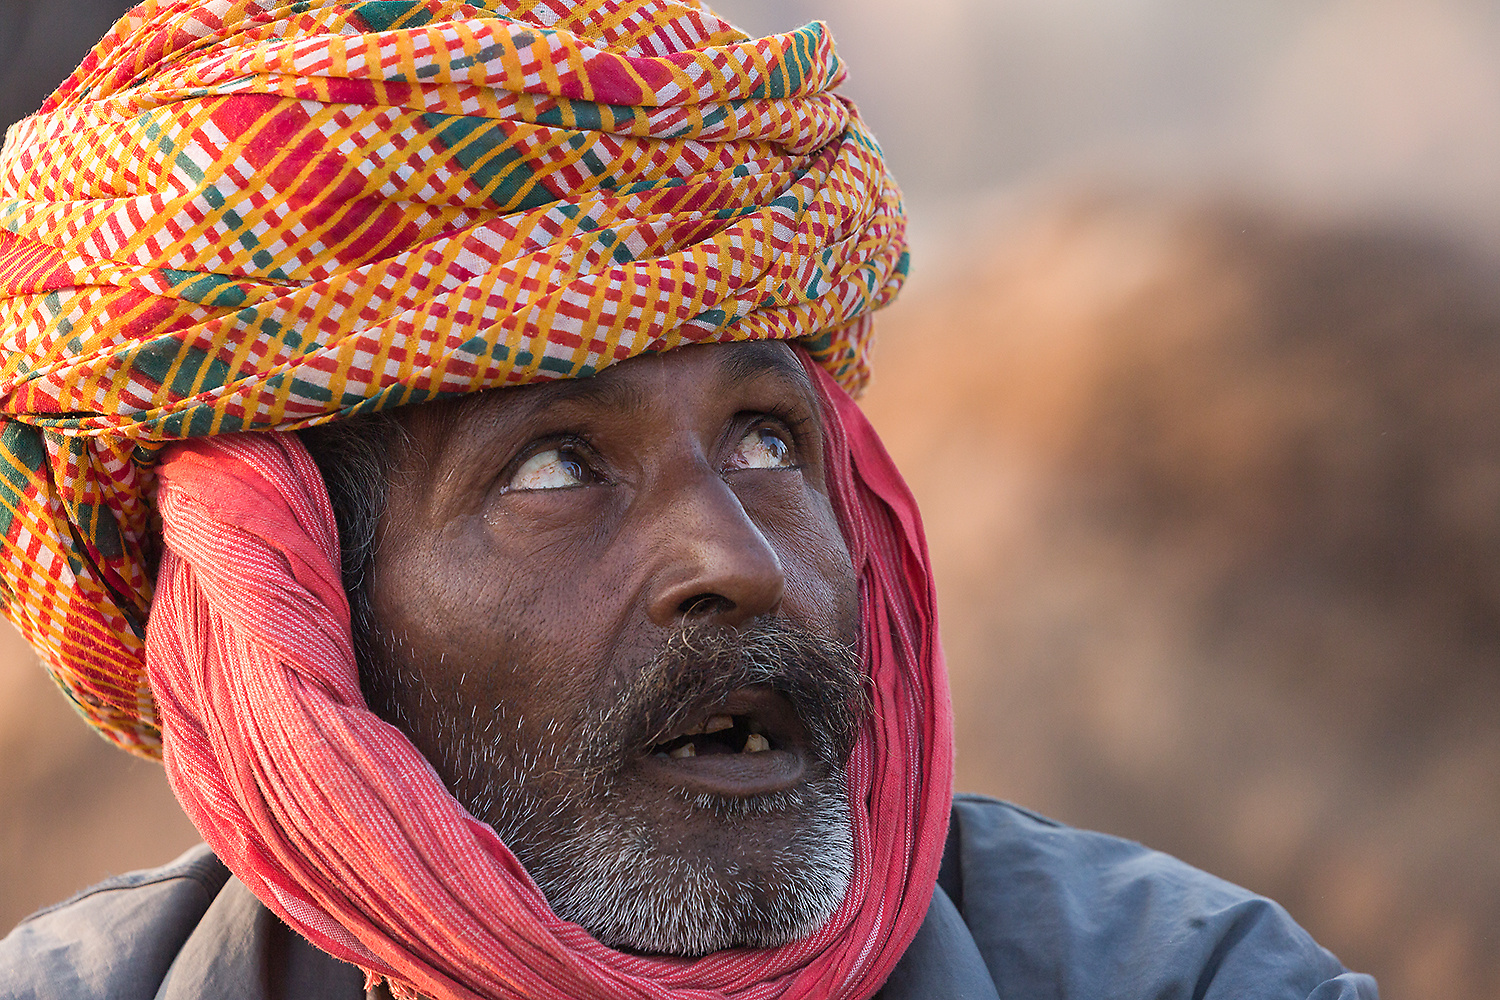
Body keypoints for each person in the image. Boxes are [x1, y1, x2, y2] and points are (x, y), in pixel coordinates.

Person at [0, 1, 1377, 997]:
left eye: (769, 439)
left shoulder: (1201, 981)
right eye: (554, 468)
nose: (736, 556)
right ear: (295, 616)